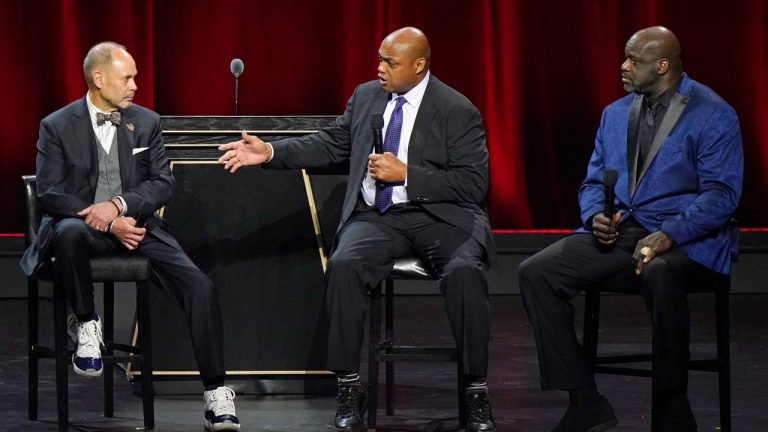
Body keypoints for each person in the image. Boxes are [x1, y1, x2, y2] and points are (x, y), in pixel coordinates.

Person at [219, 27, 497, 432]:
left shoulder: (457, 109)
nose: (380, 68)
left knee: (465, 274)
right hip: (377, 216)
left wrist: (408, 175)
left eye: (391, 62)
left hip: (440, 215)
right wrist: (271, 152)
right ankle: (350, 387)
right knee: (345, 264)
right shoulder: (367, 96)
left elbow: (474, 184)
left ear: (419, 66)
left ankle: (476, 389)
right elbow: (332, 144)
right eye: (380, 58)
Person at [518, 26, 743, 432]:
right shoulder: (616, 113)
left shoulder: (713, 113)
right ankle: (585, 400)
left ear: (662, 65)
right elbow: (591, 183)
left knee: (661, 271)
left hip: (691, 241)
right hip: (626, 234)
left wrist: (670, 233)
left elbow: (722, 195)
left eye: (633, 61)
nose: (622, 67)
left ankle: (673, 414)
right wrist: (594, 218)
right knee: (537, 272)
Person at [20, 42, 240, 431]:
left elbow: (162, 183)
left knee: (200, 287)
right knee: (68, 234)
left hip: (135, 225)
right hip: (81, 227)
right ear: (99, 78)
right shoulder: (56, 125)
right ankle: (87, 325)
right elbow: (51, 191)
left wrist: (120, 206)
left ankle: (216, 393)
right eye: (128, 77)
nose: (136, 85)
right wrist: (102, 219)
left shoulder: (147, 122)